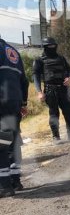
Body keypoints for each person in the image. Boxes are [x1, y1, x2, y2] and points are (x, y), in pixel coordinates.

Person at [33, 37, 70, 143]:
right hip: (50, 90)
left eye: (53, 46)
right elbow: (36, 77)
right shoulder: (39, 60)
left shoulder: (61, 58)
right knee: (54, 114)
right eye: (50, 46)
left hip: (64, 89)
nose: (52, 48)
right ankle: (56, 137)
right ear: (45, 47)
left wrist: (69, 78)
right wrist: (39, 92)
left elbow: (69, 71)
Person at [0, 38, 28, 197]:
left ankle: (4, 186)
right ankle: (15, 181)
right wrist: (23, 102)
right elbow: (24, 81)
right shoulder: (13, 52)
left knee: (2, 141)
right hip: (14, 101)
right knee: (12, 140)